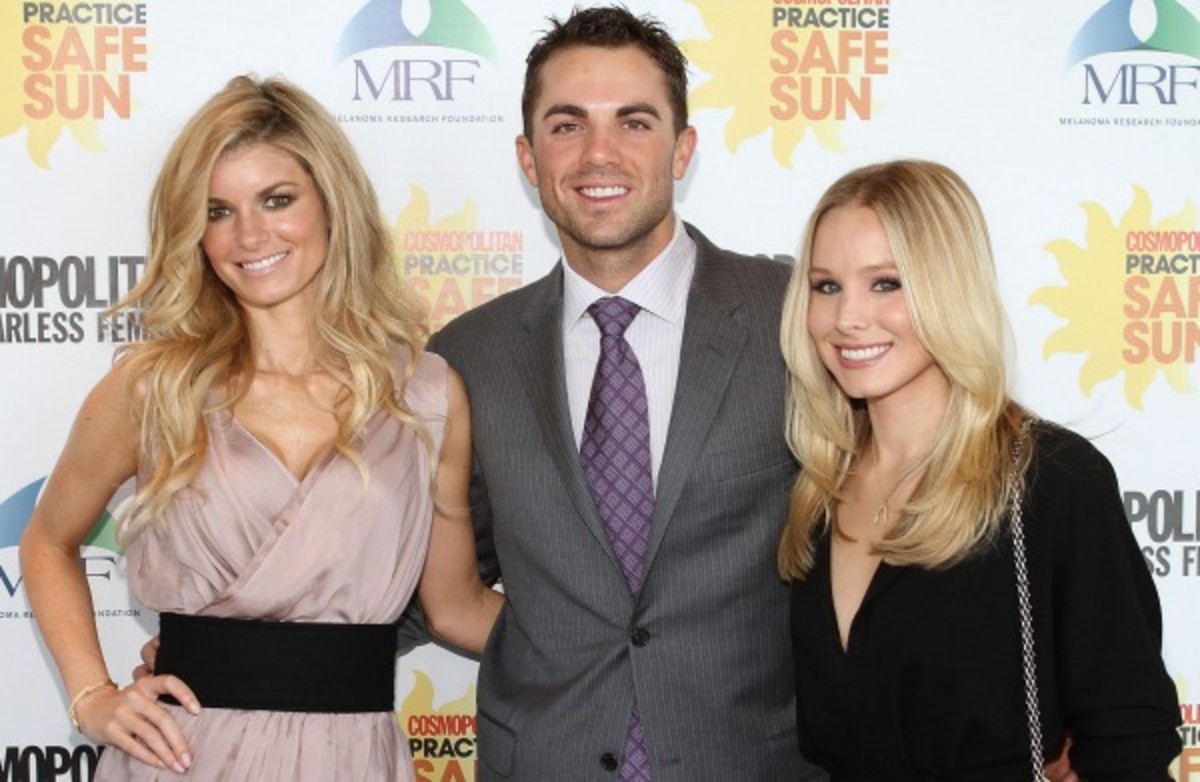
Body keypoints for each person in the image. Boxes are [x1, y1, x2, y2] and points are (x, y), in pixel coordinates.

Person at [19, 75, 501, 781]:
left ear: (331, 205)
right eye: (218, 211)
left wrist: (627, 648)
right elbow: (46, 540)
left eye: (277, 200)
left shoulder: (425, 396)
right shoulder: (153, 389)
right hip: (180, 756)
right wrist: (92, 694)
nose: (250, 234)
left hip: (352, 760)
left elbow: (456, 607)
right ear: (194, 232)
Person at [421, 7, 825, 781]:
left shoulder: (795, 320)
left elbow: (905, 519)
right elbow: (424, 572)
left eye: (633, 122)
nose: (597, 153)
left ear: (683, 149)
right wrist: (238, 653)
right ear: (528, 157)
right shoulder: (466, 358)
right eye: (566, 125)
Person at [779, 159, 1181, 779]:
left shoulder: (1051, 482)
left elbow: (1128, 737)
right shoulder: (816, 491)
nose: (847, 318)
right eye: (826, 285)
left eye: (886, 283)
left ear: (949, 287)